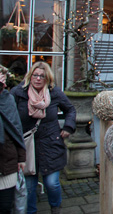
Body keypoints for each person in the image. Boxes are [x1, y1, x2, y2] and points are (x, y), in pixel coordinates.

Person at [11, 61, 76, 214]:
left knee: (52, 183)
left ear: (48, 78)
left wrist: (68, 126)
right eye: (36, 75)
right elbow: (8, 115)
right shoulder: (18, 93)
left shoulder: (55, 93)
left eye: (42, 76)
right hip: (26, 145)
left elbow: (70, 109)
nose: (38, 79)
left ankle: (55, 207)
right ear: (30, 76)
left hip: (50, 144)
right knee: (29, 186)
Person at [0, 66, 26, 213]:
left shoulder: (8, 99)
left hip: (8, 162)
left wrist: (21, 157)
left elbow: (16, 129)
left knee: (6, 205)